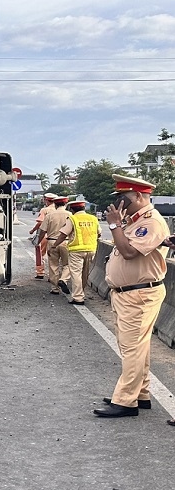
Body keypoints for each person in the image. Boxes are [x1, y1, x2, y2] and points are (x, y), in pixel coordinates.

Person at [94, 174, 168, 418]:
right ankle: (141, 393)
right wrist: (121, 223)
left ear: (138, 196)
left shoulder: (152, 221)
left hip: (139, 294)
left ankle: (126, 401)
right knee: (138, 347)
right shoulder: (135, 220)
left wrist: (114, 224)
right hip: (127, 294)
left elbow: (127, 252)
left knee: (132, 348)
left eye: (123, 199)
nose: (119, 204)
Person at [52, 197, 100, 305]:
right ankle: (81, 292)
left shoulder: (72, 219)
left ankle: (78, 297)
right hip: (91, 249)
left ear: (72, 210)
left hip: (76, 250)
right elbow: (99, 233)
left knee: (76, 274)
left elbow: (64, 234)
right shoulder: (93, 218)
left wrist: (55, 245)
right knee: (85, 274)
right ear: (84, 208)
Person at [37, 195, 71, 295]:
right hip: (66, 242)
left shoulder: (49, 215)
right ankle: (64, 279)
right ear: (65, 204)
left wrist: (38, 241)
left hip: (52, 242)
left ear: (55, 204)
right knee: (67, 264)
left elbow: (42, 231)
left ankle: (54, 288)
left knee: (53, 265)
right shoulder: (70, 215)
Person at [28, 193, 57, 279]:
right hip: (56, 236)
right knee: (54, 256)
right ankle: (53, 276)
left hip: (45, 234)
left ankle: (40, 272)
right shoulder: (58, 210)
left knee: (40, 254)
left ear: (46, 200)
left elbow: (40, 222)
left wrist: (32, 230)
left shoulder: (45, 210)